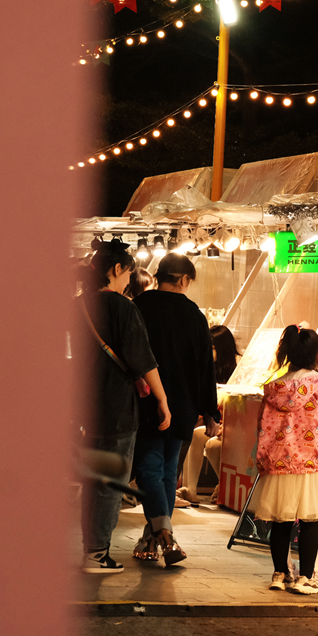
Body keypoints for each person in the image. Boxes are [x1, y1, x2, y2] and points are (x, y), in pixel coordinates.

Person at [75, 239, 171, 574]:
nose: (129, 281)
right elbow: (143, 360)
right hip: (116, 409)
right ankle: (97, 553)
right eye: (128, 273)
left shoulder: (76, 306)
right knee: (110, 485)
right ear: (116, 269)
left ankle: (91, 549)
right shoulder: (122, 308)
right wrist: (162, 400)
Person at [131, 253, 221, 566]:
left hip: (146, 403)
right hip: (183, 405)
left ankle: (160, 536)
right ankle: (158, 536)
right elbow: (205, 367)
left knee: (150, 472)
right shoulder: (194, 315)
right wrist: (210, 411)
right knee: (167, 473)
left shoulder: (140, 306)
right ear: (183, 280)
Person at [251, 325, 318, 595]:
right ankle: (305, 577)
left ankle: (279, 574)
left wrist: (262, 459)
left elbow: (263, 427)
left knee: (280, 520)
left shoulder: (273, 388)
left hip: (278, 464)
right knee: (310, 521)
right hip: (312, 463)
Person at [178, 325, 241, 505]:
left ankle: (197, 488)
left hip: (229, 423)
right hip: (216, 421)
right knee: (196, 434)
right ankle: (190, 489)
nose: (208, 350)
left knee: (200, 436)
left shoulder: (236, 370)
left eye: (212, 347)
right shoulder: (207, 367)